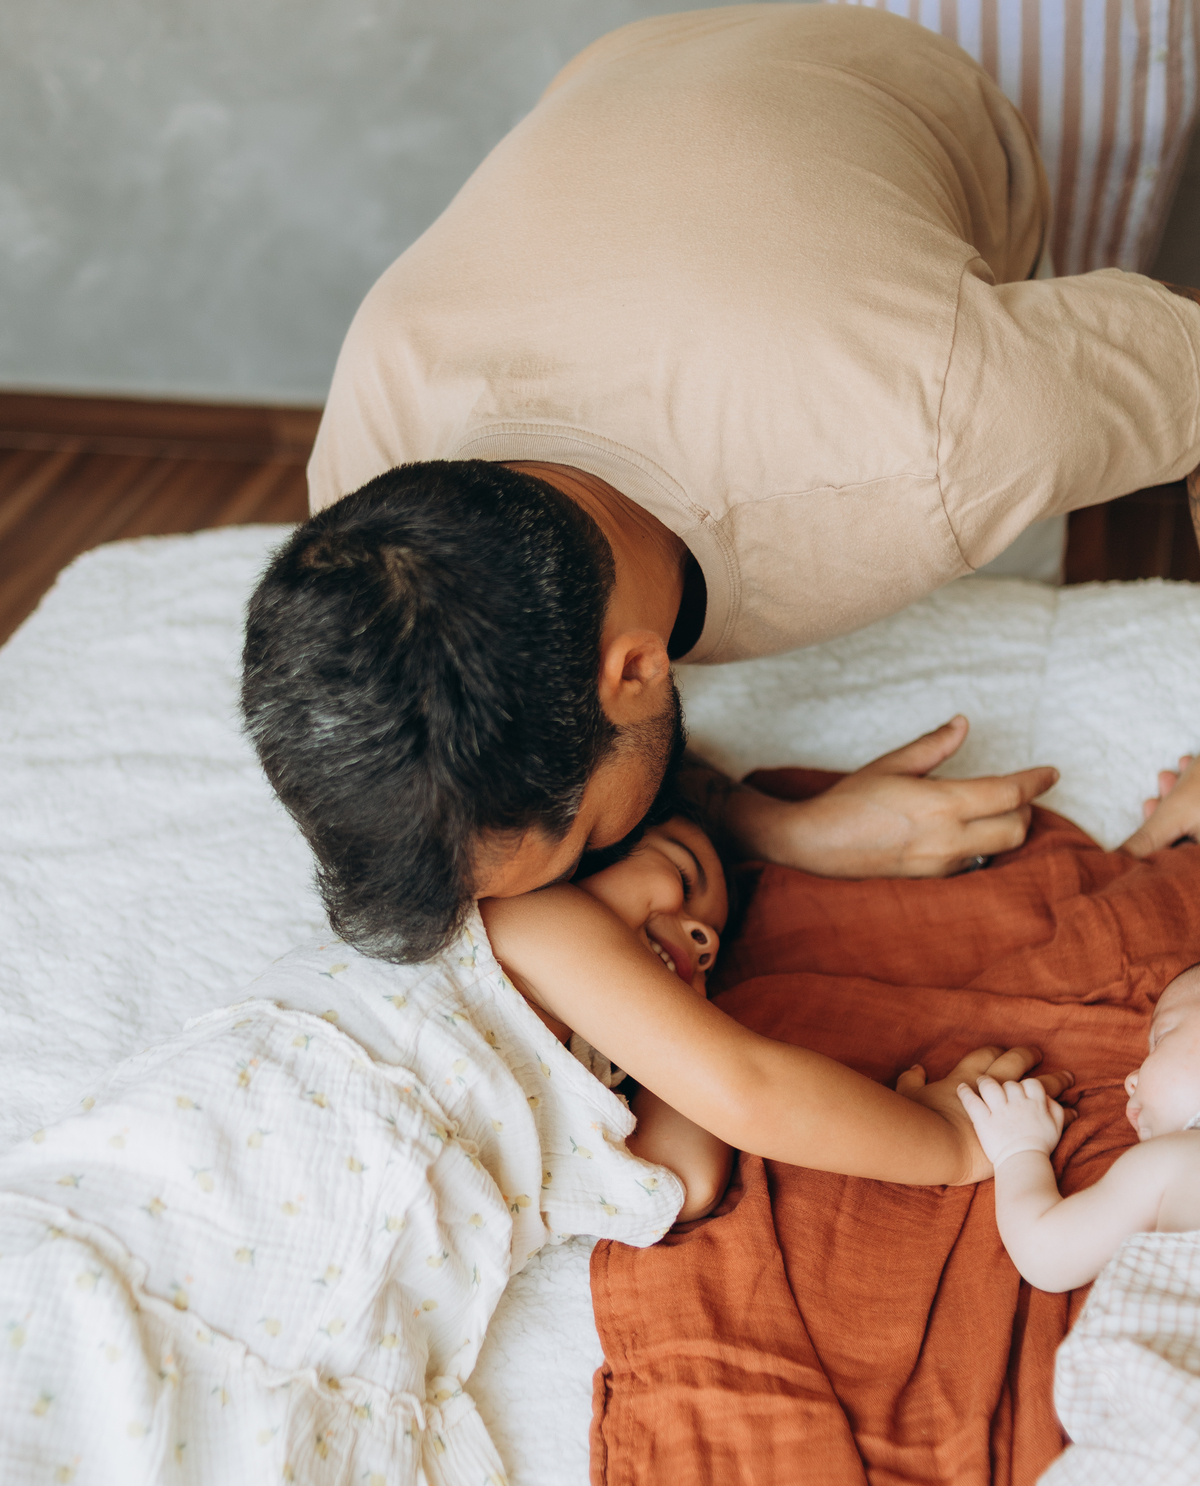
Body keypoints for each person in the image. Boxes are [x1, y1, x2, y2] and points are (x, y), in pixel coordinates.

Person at [0, 808, 1070, 1486]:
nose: (700, 936)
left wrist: (682, 1023)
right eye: (679, 874)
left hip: (287, 1333)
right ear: (552, 850)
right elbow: (746, 1088)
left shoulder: (590, 1091)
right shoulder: (510, 925)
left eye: (712, 943)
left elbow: (690, 1173)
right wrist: (943, 1142)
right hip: (158, 1214)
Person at [249, 4, 1200, 963]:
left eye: (587, 847)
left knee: (1011, 559)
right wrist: (771, 826)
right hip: (616, 79)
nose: (598, 878)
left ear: (637, 669)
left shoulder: (941, 435)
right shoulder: (364, 501)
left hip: (887, 79)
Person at [958, 952, 1200, 1486]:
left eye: (1162, 1039)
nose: (1132, 1073)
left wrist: (1021, 1151)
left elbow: (1049, 1253)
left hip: (1181, 1457)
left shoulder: (1180, 1162)